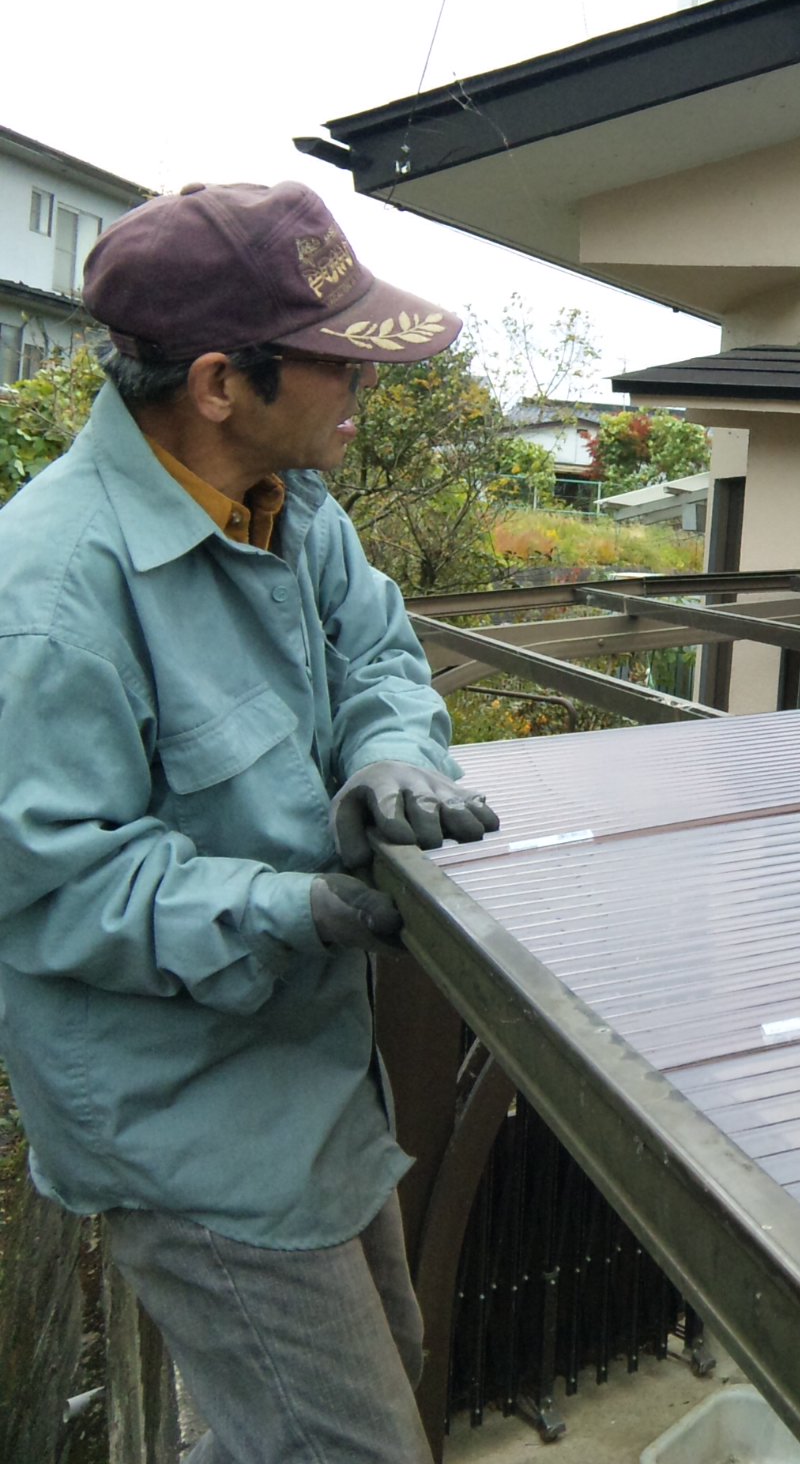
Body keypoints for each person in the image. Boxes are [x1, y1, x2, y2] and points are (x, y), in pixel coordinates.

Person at [0, 181, 503, 1461]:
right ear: (221, 382)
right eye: (338, 364)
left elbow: (382, 655)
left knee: (359, 1388)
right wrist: (291, 906)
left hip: (309, 1069)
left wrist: (390, 756)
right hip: (185, 1118)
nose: (362, 391)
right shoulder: (55, 593)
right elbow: (58, 885)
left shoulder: (290, 510)